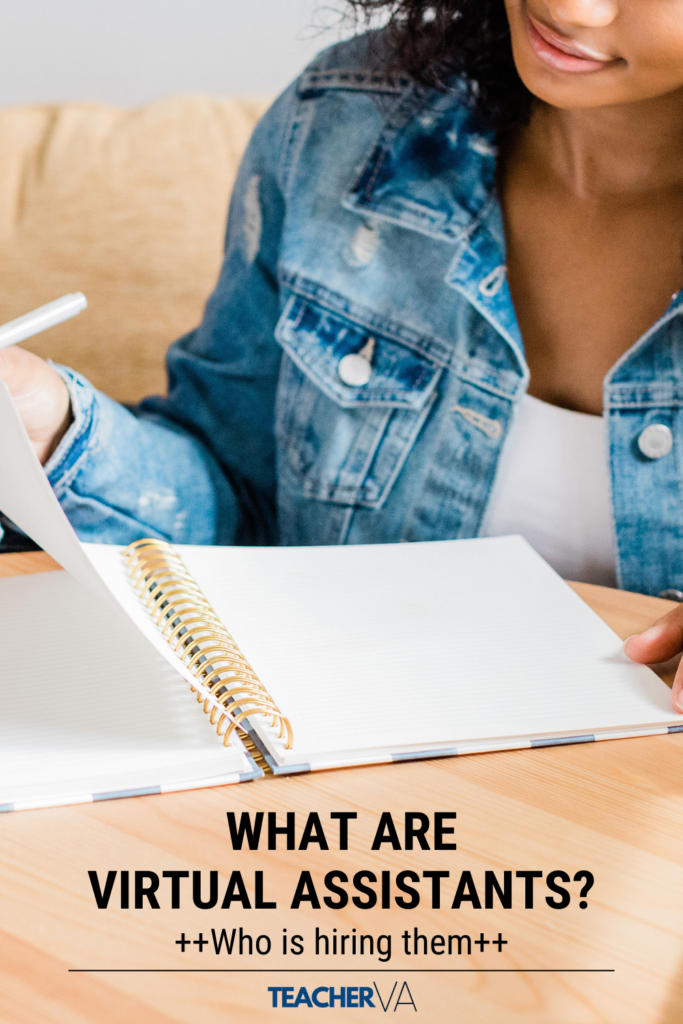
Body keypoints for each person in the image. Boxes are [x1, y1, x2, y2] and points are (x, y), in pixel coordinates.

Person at [0, 0, 682, 705]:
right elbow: (240, 505)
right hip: (363, 792)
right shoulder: (347, 118)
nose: (569, 6)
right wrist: (47, 427)